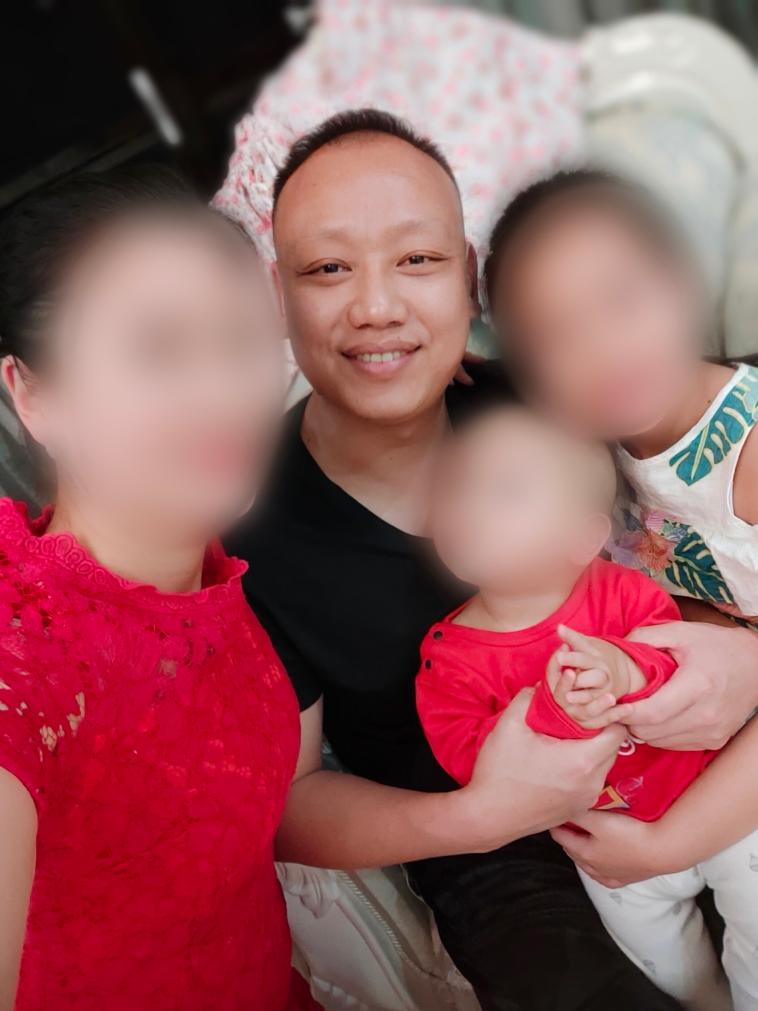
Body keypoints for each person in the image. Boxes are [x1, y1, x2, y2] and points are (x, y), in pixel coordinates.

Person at [229, 108, 752, 1009]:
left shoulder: (555, 391)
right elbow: (289, 806)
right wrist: (472, 817)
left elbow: (692, 516)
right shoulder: (249, 529)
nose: (378, 306)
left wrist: (743, 657)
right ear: (277, 293)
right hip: (487, 846)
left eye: (417, 259)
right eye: (328, 269)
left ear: (468, 280)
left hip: (683, 753)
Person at [0, 168, 319, 1011]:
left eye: (242, 340)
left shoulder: (201, 557)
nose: (222, 393)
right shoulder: (23, 651)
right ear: (33, 394)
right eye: (158, 349)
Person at [483, 168, 758, 1010]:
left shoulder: (748, 450)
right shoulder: (597, 453)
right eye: (556, 336)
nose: (602, 347)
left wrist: (668, 842)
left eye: (622, 299)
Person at [416, 405, 758, 1010]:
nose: (469, 507)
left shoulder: (619, 590)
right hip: (608, 843)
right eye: (457, 485)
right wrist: (551, 717)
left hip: (713, 805)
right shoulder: (449, 655)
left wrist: (624, 670)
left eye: (506, 491)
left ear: (583, 537)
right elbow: (467, 758)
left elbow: (678, 659)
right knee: (666, 969)